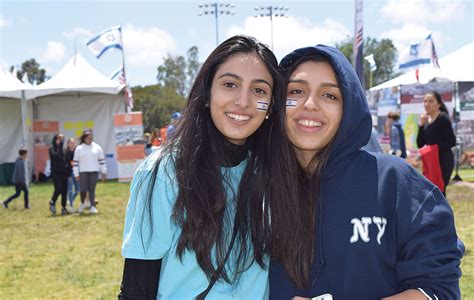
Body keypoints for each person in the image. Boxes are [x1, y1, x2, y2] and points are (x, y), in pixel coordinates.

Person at [269, 45, 462, 299]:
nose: (310, 104)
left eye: (330, 96)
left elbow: (437, 288)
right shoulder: (256, 188)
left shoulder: (394, 182)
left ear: (350, 108)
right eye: (296, 91)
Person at [119, 35, 295, 299]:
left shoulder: (274, 173)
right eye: (230, 84)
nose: (243, 101)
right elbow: (136, 290)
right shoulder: (163, 172)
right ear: (207, 92)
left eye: (259, 90)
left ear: (270, 105)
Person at [417, 91, 456, 196]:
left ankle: (444, 212)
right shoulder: (426, 120)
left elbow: (452, 141)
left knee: (439, 192)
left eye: (431, 101)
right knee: (432, 192)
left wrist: (433, 149)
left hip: (443, 161)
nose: (427, 104)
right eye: (425, 101)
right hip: (431, 162)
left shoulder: (443, 118)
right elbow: (420, 144)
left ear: (439, 104)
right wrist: (421, 126)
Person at [73, 130, 107, 214]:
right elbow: (75, 163)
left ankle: (92, 206)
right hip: (83, 172)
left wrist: (104, 172)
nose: (90, 139)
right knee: (83, 190)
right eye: (88, 138)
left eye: (91, 137)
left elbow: (102, 161)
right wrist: (76, 174)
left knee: (92, 190)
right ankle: (82, 203)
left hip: (94, 172)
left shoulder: (97, 147)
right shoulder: (79, 148)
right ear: (84, 138)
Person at [48, 133, 70, 215]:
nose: (61, 140)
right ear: (55, 139)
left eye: (62, 138)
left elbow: (67, 161)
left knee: (64, 191)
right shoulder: (51, 149)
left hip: (64, 173)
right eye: (59, 138)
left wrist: (69, 172)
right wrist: (60, 146)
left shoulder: (65, 149)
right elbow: (57, 156)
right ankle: (52, 201)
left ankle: (63, 208)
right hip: (56, 173)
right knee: (59, 189)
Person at [66, 137, 79, 211]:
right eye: (71, 143)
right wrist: (68, 175)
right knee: (70, 190)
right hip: (69, 173)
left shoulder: (77, 152)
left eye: (74, 143)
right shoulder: (66, 152)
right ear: (68, 144)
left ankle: (71, 200)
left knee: (78, 190)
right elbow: (66, 164)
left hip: (76, 172)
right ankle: (71, 206)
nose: (72, 144)